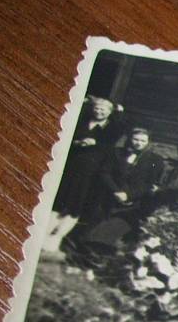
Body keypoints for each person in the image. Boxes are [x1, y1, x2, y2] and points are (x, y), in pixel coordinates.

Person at [45, 96, 126, 259]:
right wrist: (76, 142)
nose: (99, 111)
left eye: (103, 109)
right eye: (97, 108)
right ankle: (45, 234)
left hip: (91, 172)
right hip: (72, 167)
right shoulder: (82, 122)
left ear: (109, 113)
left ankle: (56, 238)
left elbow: (119, 130)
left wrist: (95, 142)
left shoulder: (111, 130)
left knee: (76, 204)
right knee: (59, 200)